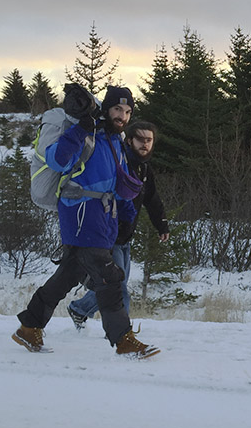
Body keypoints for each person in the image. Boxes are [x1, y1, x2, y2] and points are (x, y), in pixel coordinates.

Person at [12, 85, 159, 358]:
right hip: (80, 213)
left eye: (127, 112)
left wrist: (127, 216)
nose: (122, 116)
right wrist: (80, 128)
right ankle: (123, 340)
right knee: (110, 276)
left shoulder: (116, 140)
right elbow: (57, 160)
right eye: (117, 109)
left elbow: (119, 182)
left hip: (102, 218)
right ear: (107, 108)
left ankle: (29, 326)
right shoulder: (87, 132)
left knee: (67, 276)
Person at [67, 121, 170, 328]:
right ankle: (124, 335)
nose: (145, 144)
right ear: (129, 140)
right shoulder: (118, 163)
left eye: (149, 140)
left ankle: (79, 309)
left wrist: (162, 225)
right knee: (119, 289)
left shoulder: (144, 169)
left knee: (112, 285)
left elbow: (152, 199)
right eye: (140, 139)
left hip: (124, 239)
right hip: (107, 236)